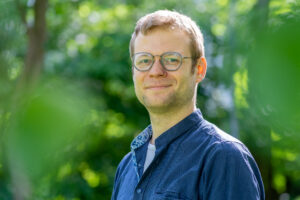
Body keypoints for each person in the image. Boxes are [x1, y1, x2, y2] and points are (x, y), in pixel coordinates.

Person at [111, 10, 265, 200]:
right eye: (144, 60)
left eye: (171, 60)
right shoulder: (127, 167)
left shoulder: (222, 157)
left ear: (199, 69)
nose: (156, 71)